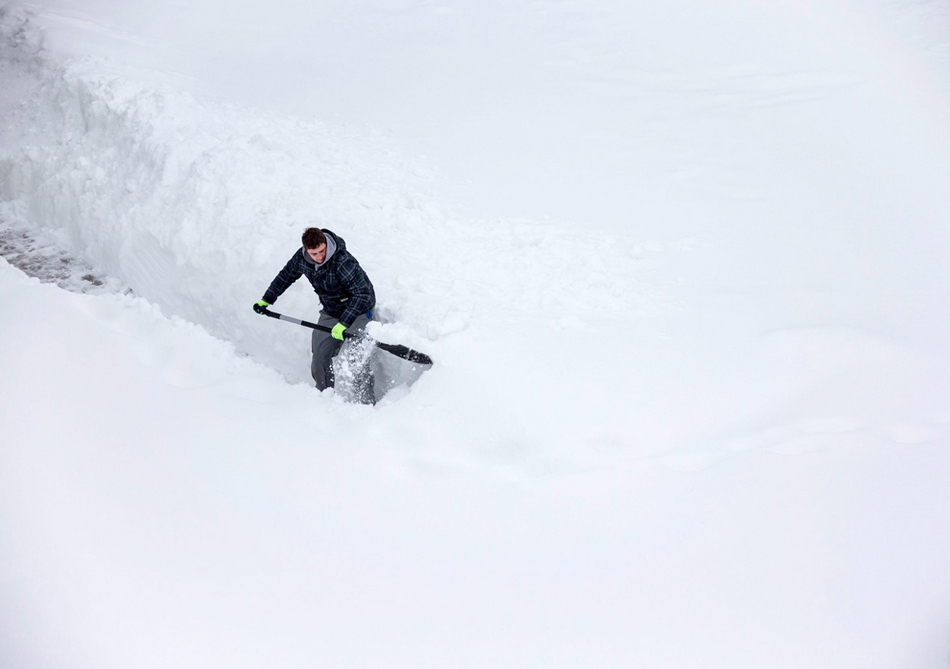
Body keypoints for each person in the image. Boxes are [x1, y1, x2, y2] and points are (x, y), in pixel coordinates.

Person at [253, 227, 376, 403]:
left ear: (326, 244)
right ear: (306, 250)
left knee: (357, 360)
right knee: (319, 356)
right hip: (332, 310)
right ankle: (325, 399)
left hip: (359, 309)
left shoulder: (342, 261)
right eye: (314, 253)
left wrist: (344, 323)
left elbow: (362, 294)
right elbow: (285, 276)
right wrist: (267, 300)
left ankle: (366, 405)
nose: (319, 257)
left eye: (322, 251)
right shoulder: (301, 258)